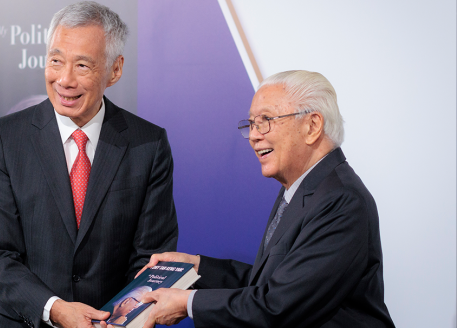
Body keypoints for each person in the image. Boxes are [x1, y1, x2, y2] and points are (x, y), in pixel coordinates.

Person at [0, 1, 179, 328]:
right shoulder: (4, 138)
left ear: (115, 69)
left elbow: (149, 257)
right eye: (56, 61)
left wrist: (123, 317)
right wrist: (54, 308)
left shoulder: (147, 144)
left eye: (82, 66)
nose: (64, 80)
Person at [137, 70, 395, 328]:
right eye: (251, 124)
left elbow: (279, 306)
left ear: (312, 126)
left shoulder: (341, 201)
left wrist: (188, 303)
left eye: (266, 120)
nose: (253, 135)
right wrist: (196, 268)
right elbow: (269, 284)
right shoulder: (302, 189)